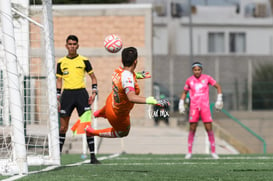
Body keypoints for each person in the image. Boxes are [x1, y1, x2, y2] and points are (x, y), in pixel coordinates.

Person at [85, 47, 169, 138]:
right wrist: (152, 100)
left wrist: (138, 75)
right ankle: (92, 132)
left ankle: (99, 113)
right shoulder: (127, 78)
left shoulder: (117, 71)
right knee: (123, 132)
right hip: (117, 116)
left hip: (109, 104)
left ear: (122, 60)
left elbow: (126, 76)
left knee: (117, 92)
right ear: (135, 61)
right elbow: (131, 97)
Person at [56, 35, 100, 164]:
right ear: (66, 46)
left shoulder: (84, 60)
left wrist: (94, 92)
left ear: (78, 46)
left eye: (74, 44)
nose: (72, 46)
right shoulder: (61, 62)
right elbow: (59, 80)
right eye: (70, 44)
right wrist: (58, 96)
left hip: (81, 95)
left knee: (87, 126)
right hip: (67, 95)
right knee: (63, 128)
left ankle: (92, 156)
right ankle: (57, 157)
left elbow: (93, 78)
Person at [179, 61, 223, 159]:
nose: (197, 72)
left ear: (201, 70)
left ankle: (214, 152)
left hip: (205, 107)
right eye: (195, 70)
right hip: (194, 107)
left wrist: (219, 99)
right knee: (192, 129)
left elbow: (218, 87)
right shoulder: (189, 80)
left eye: (199, 70)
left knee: (209, 128)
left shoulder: (207, 78)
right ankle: (189, 152)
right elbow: (184, 92)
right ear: (192, 70)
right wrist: (181, 103)